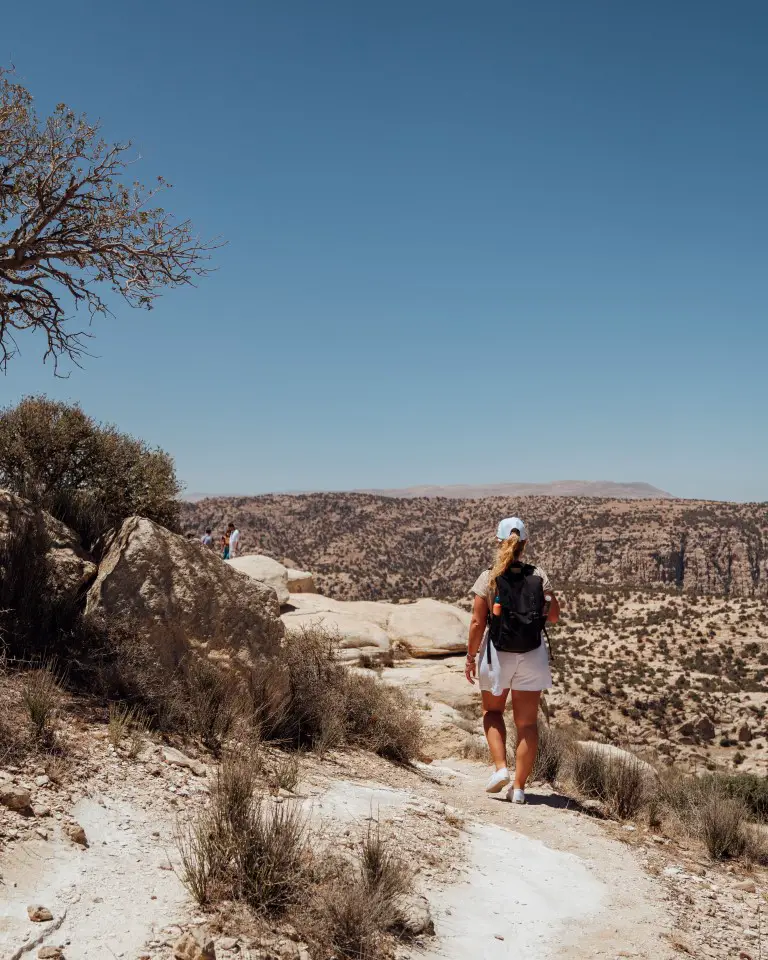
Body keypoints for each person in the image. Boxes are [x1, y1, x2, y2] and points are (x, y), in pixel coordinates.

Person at [465, 516, 560, 804]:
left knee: (492, 712)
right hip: (532, 654)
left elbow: (476, 622)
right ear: (525, 543)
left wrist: (470, 657)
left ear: (498, 541)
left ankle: (500, 769)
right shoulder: (539, 574)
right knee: (527, 724)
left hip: (497, 654)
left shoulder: (488, 577)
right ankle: (518, 788)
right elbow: (553, 616)